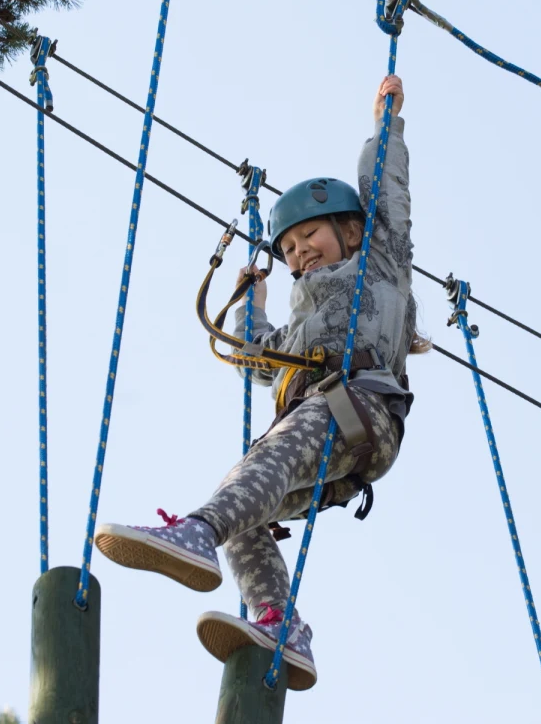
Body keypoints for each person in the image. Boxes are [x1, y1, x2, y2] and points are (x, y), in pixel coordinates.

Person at [95, 75, 424, 691]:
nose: (301, 254)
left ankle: (196, 530)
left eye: (311, 238)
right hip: (338, 451)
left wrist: (386, 127)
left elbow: (386, 195)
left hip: (362, 410)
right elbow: (258, 358)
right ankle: (283, 625)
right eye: (291, 249)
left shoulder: (379, 262)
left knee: (260, 464)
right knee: (246, 504)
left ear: (349, 231)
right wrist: (255, 297)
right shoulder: (303, 322)